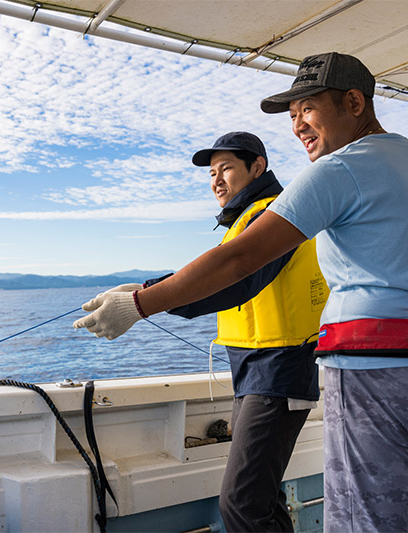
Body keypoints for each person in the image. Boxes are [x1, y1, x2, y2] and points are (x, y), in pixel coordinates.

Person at [73, 52, 408, 532]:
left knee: (366, 523)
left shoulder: (340, 169)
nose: (298, 126)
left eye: (307, 109)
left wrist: (138, 303)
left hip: (380, 377)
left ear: (354, 102)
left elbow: (241, 259)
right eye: (292, 117)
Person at [128, 131, 327, 532]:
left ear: (258, 167)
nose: (217, 180)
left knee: (241, 503)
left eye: (227, 169)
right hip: (254, 370)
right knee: (261, 499)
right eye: (212, 173)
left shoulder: (276, 216)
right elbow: (214, 269)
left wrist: (146, 302)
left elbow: (232, 277)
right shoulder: (248, 220)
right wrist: (148, 289)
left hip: (280, 369)